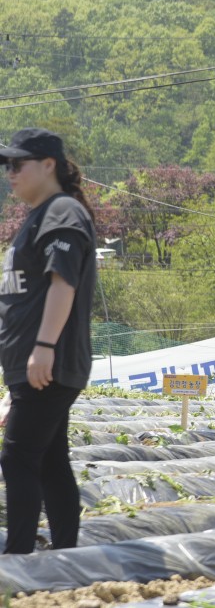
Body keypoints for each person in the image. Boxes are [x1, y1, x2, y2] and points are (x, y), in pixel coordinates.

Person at [0, 128, 97, 554]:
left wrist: (43, 347)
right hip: (34, 365)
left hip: (47, 364)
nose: (10, 172)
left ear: (48, 165)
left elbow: (64, 283)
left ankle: (18, 559)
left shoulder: (61, 212)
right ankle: (65, 558)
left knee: (17, 459)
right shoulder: (41, 215)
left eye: (17, 164)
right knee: (51, 462)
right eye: (7, 165)